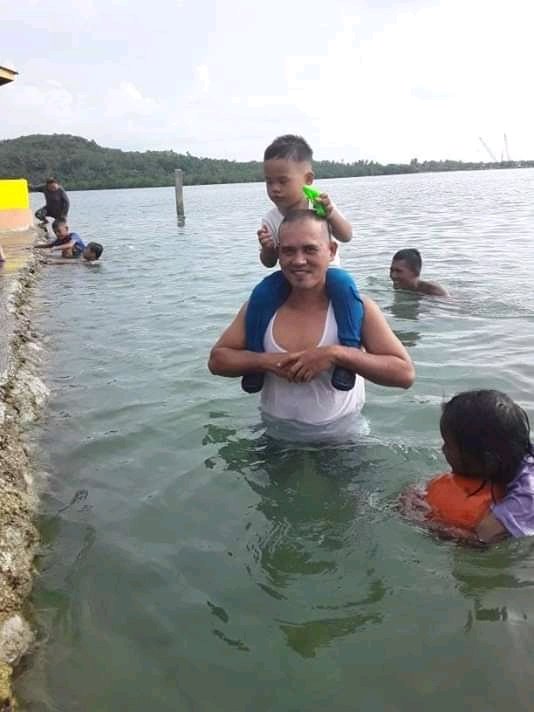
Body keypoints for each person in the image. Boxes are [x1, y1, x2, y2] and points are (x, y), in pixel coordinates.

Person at [209, 210, 415, 439]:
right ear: (278, 254)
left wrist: (335, 354)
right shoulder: (260, 308)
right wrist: (266, 361)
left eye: (310, 249)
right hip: (276, 438)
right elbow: (218, 360)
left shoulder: (359, 308)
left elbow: (404, 374)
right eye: (288, 251)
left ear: (331, 251)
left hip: (342, 439)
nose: (299, 260)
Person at [243, 135, 363, 394]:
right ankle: (255, 357)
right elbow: (269, 263)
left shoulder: (319, 204)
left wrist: (330, 213)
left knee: (345, 287)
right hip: (290, 278)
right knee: (261, 293)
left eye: (282, 181)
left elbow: (346, 235)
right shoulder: (270, 218)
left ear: (308, 179)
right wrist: (268, 249)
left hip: (327, 273)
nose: (274, 189)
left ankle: (349, 353)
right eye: (269, 181)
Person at [407, 390, 534, 543]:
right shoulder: (504, 456)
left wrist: (422, 520)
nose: (443, 450)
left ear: (487, 461)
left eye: (448, 445)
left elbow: (482, 538)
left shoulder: (526, 498)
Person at [35, 219, 103, 261]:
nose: (57, 234)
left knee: (67, 247)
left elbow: (70, 245)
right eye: (55, 232)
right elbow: (50, 245)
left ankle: (63, 262)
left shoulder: (74, 236)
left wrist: (55, 248)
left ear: (67, 229)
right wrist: (35, 246)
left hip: (81, 256)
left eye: (59, 231)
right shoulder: (60, 239)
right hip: (76, 258)